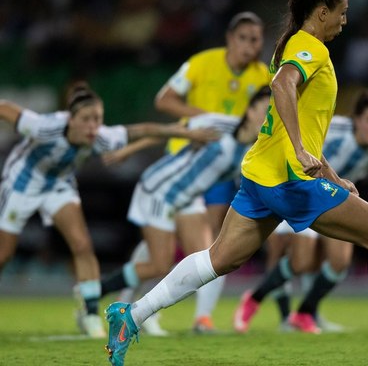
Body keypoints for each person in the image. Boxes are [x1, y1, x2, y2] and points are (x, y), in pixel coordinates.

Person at [104, 0, 368, 366]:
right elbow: (282, 86)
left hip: (261, 172)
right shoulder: (310, 48)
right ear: (321, 12)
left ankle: (130, 315)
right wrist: (303, 155)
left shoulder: (289, 43)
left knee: (221, 258)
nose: (344, 20)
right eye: (341, 11)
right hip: (289, 179)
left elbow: (299, 118)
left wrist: (334, 177)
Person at [0, 82, 215, 339]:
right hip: (21, 183)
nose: (93, 126)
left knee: (82, 245)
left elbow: (144, 129)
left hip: (58, 185)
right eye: (86, 119)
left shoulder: (103, 137)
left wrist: (189, 134)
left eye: (98, 119)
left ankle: (90, 315)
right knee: (4, 254)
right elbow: (4, 107)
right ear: (71, 119)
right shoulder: (43, 127)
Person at [234, 89, 368, 334]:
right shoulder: (334, 129)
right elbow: (299, 142)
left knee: (339, 263)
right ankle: (256, 298)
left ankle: (304, 313)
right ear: (356, 120)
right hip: (302, 191)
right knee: (301, 261)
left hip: (337, 200)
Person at [98, 88, 270, 334]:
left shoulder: (256, 151)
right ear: (250, 110)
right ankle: (96, 291)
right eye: (264, 111)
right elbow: (169, 131)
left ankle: (201, 320)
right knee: (159, 263)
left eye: (271, 114)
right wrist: (127, 151)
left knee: (211, 256)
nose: (266, 119)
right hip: (160, 190)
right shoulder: (218, 124)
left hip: (187, 199)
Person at [148, 11, 270, 332]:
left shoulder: (264, 78)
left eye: (255, 39)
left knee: (215, 240)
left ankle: (202, 317)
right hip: (185, 160)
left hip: (223, 167)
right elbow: (164, 100)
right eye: (242, 38)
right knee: (161, 240)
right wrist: (204, 118)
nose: (248, 45)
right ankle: (142, 302)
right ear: (230, 39)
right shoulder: (202, 63)